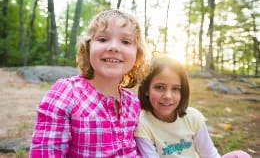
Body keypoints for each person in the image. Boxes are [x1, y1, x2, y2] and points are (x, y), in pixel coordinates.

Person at [29, 9, 148, 157]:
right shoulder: (67, 93)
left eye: (126, 41)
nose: (114, 47)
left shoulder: (133, 103)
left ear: (137, 55)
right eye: (103, 39)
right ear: (88, 47)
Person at [134, 57, 251, 158]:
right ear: (146, 90)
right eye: (159, 87)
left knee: (241, 156)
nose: (168, 96)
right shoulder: (142, 123)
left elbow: (210, 154)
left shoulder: (193, 117)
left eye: (175, 89)